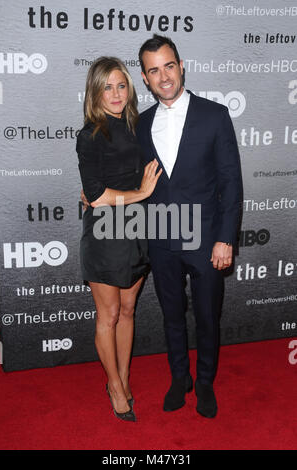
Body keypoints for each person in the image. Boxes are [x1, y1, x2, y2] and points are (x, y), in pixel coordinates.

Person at [136, 35, 243, 418]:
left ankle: (205, 383)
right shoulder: (141, 123)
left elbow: (231, 181)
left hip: (206, 241)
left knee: (207, 316)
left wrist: (225, 239)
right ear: (145, 79)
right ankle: (179, 378)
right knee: (171, 315)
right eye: (153, 70)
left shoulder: (214, 115)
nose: (163, 76)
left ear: (182, 66)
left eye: (168, 66)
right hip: (161, 240)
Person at [76, 56, 162, 422]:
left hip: (138, 231)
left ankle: (124, 377)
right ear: (95, 93)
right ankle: (113, 386)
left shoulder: (140, 127)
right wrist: (139, 194)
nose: (115, 93)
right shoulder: (90, 135)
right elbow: (95, 197)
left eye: (121, 85)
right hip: (105, 234)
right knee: (108, 315)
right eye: (107, 87)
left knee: (128, 310)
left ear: (130, 88)